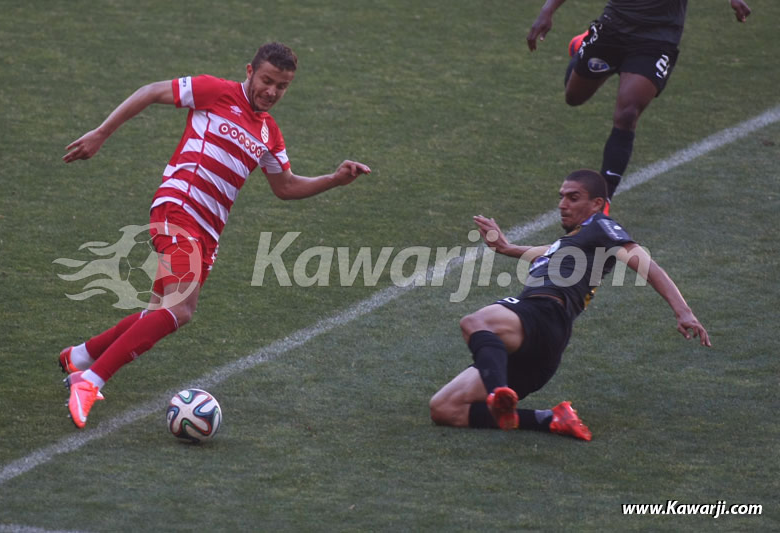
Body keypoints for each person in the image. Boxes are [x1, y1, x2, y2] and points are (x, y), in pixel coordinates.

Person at [60, 42, 371, 428]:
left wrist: (334, 180)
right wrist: (102, 133)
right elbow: (152, 91)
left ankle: (81, 356)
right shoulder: (216, 92)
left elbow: (286, 186)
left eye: (282, 86)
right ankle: (89, 381)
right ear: (249, 72)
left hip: (208, 233)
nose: (272, 91)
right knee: (180, 309)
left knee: (159, 312)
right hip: (179, 210)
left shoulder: (269, 133)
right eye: (267, 80)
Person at [429, 169, 710, 440]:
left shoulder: (602, 226)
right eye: (562, 197)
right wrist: (506, 248)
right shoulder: (574, 241)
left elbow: (644, 263)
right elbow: (546, 253)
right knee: (444, 408)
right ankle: (549, 419)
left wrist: (683, 311)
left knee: (476, 322)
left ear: (596, 204)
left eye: (573, 198)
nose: (563, 205)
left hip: (544, 315)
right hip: (540, 348)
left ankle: (497, 393)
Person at [526, 0, 752, 207]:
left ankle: (602, 204)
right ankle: (581, 47)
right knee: (574, 97)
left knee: (627, 114)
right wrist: (548, 10)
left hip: (658, 37)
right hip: (613, 28)